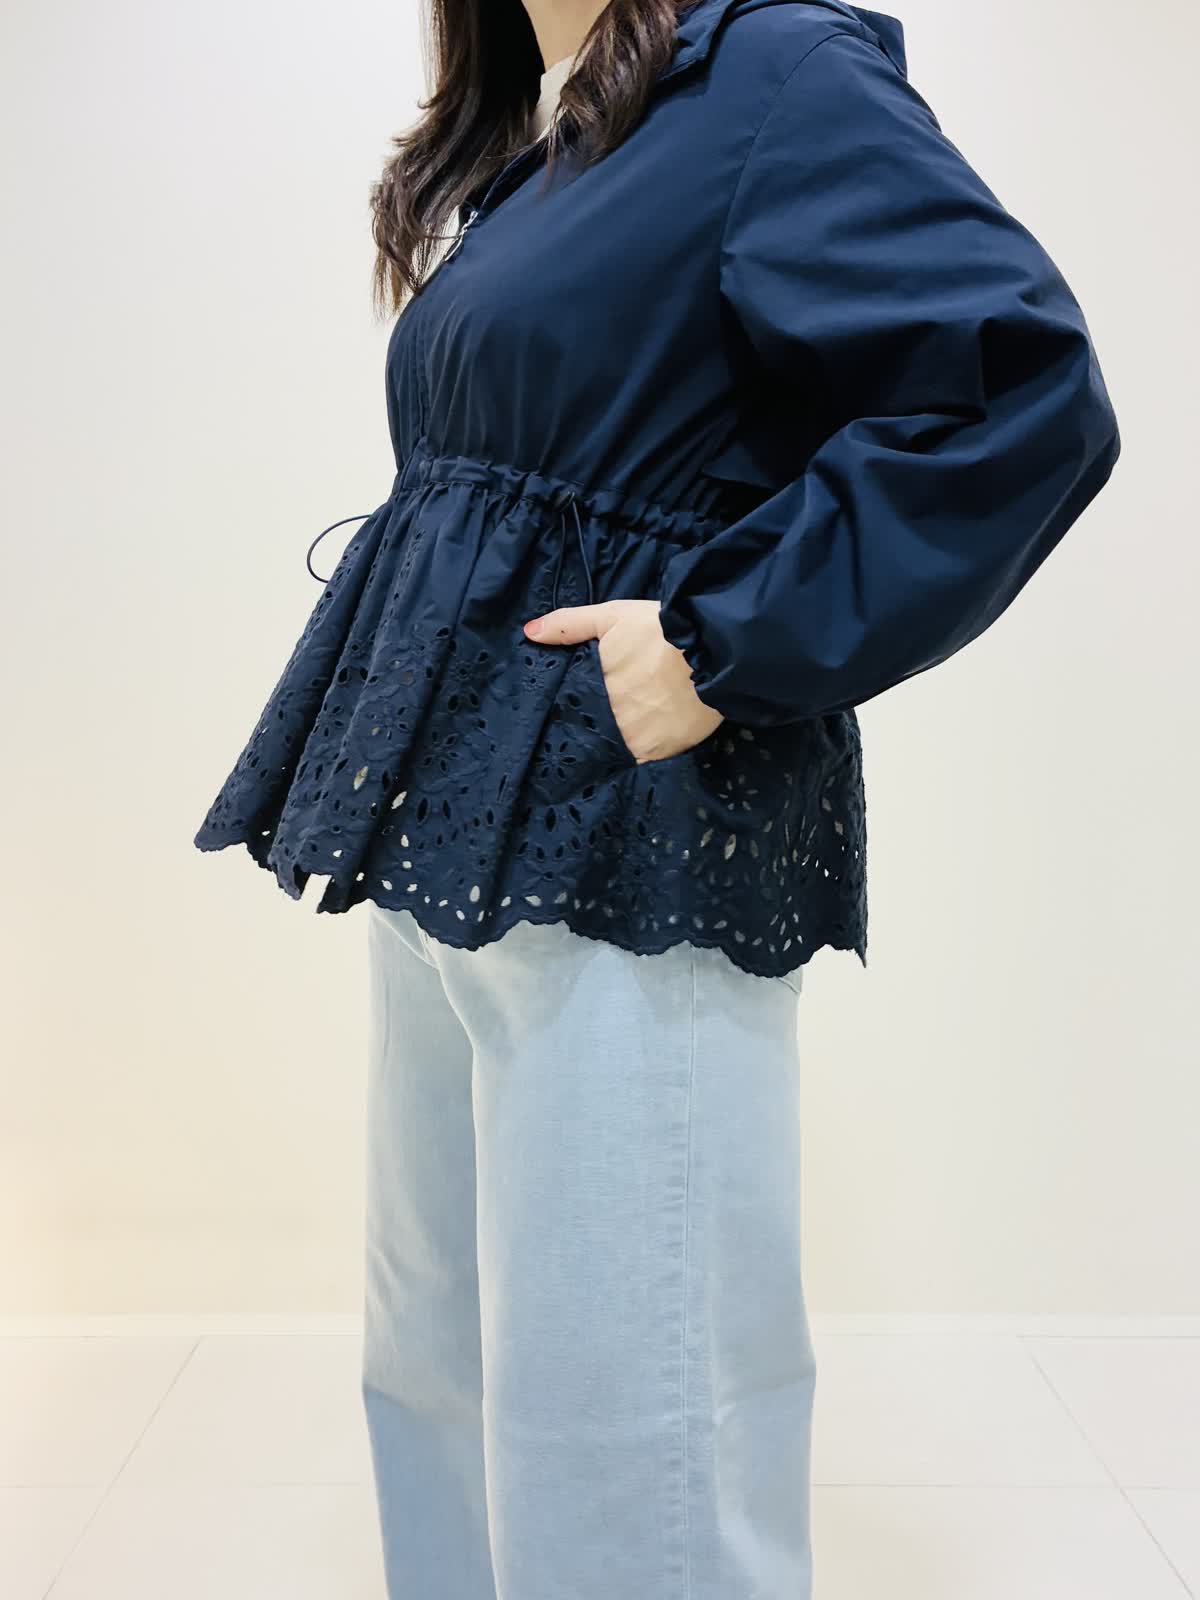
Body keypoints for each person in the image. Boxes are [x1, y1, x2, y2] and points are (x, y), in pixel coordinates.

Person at [193, 1, 1120, 1594]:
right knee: (437, 1361)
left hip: (629, 839)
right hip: (448, 836)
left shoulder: (771, 71)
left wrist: (724, 635)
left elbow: (1022, 390)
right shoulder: (544, 141)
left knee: (633, 1411)